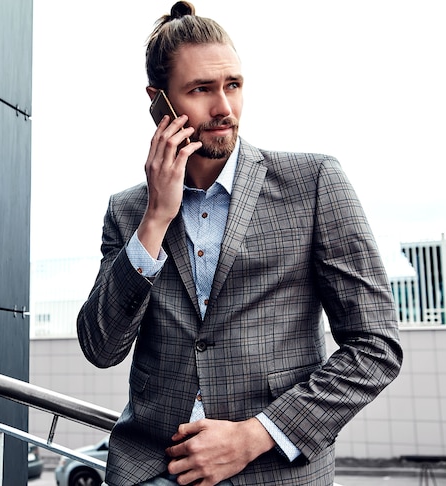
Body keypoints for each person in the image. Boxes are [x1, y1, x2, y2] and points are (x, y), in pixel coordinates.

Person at [77, 2, 403, 485]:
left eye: (233, 84)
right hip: (152, 472)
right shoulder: (128, 211)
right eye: (200, 90)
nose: (224, 108)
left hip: (273, 472)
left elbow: (376, 346)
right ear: (158, 101)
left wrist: (256, 434)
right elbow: (101, 348)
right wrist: (156, 219)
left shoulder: (313, 183)